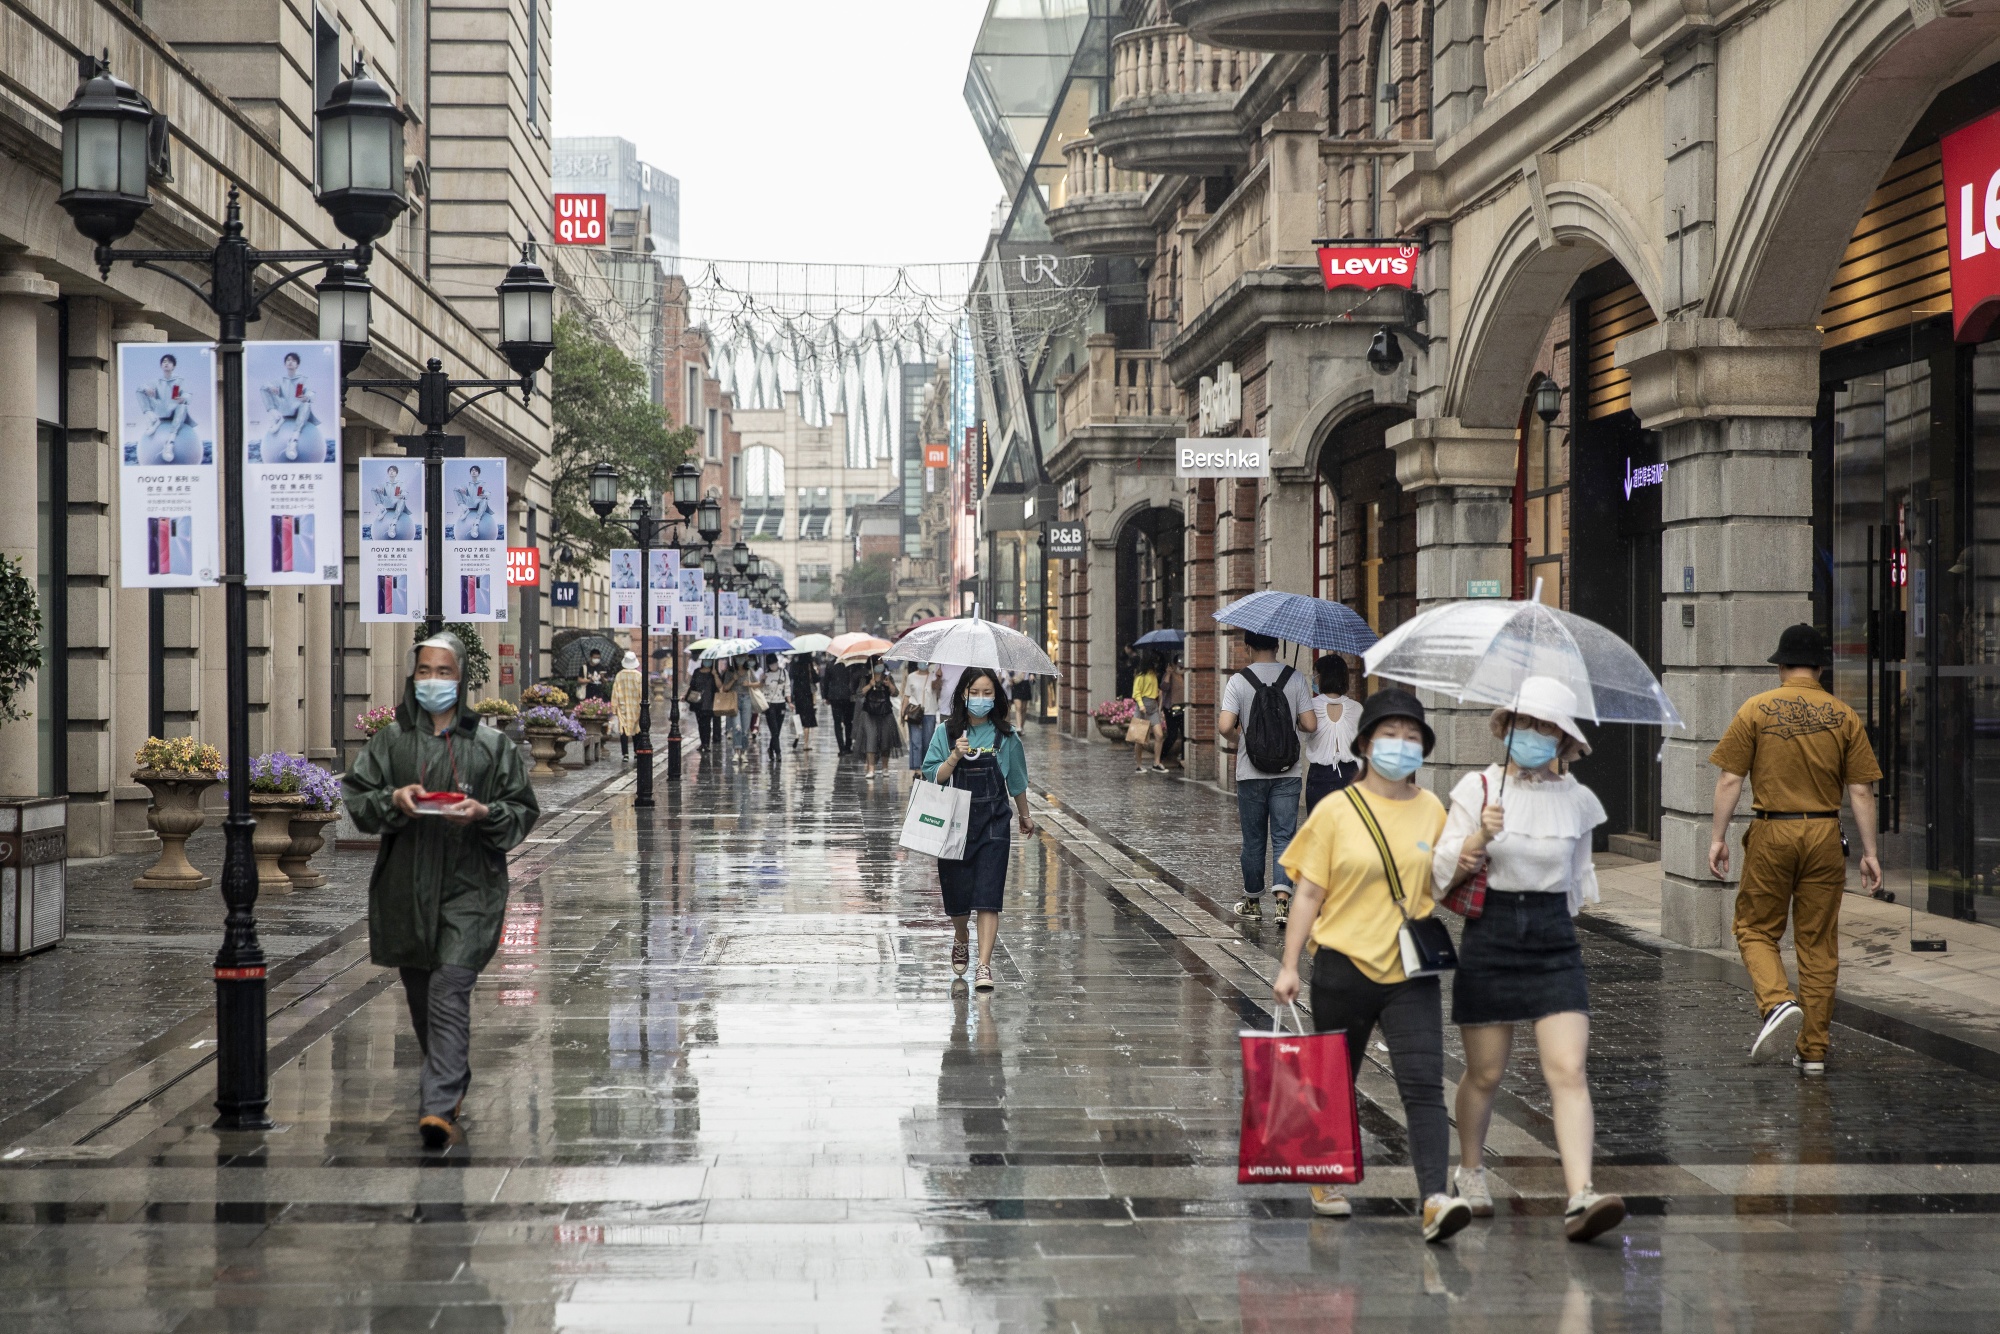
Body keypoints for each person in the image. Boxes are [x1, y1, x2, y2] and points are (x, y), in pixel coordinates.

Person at [1270, 689, 1472, 1243]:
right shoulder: (1336, 809)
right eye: (1390, 735)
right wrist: (1290, 964)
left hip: (1411, 970)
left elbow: (1436, 883)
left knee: (1424, 1085)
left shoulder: (1433, 809)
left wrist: (1470, 853)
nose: (1401, 746)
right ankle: (1325, 1177)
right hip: (1341, 968)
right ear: (1365, 743)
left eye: (1412, 737)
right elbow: (1308, 893)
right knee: (1335, 1082)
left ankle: (1434, 1198)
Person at [1434, 676, 1625, 1243]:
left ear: (1565, 740)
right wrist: (1478, 842)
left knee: (1567, 1069)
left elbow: (1575, 885)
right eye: (1526, 723)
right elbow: (1441, 870)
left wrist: (1553, 929)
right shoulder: (1479, 789)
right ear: (1506, 727)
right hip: (1490, 933)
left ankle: (1580, 1195)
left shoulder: (1579, 801)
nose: (1535, 735)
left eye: (1548, 728)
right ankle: (1470, 1171)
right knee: (1486, 1072)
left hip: (1552, 939)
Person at [342, 631, 539, 1149]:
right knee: (423, 996)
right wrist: (393, 799)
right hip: (405, 888)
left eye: (444, 672)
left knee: (450, 984)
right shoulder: (391, 741)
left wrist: (485, 812)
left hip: (472, 886)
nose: (433, 681)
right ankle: (449, 1083)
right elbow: (359, 801)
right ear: (414, 676)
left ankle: (435, 1105)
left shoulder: (491, 746)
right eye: (424, 671)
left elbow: (522, 810)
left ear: (462, 679)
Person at [1709, 623, 1883, 1073]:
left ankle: (1776, 1001)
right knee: (1819, 944)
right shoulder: (1845, 716)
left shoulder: (1756, 709)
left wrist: (1717, 838)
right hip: (1825, 834)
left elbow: (1730, 778)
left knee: (1754, 929)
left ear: (1782, 666)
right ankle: (1813, 1052)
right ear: (1820, 668)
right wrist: (1870, 852)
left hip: (1773, 831)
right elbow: (1861, 790)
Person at [923, 668, 1036, 992]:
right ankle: (961, 935)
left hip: (994, 823)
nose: (982, 699)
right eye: (976, 692)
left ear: (996, 696)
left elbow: (1016, 780)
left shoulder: (1006, 736)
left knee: (988, 897)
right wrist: (955, 756)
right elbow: (933, 776)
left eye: (989, 693)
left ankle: (984, 966)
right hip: (953, 823)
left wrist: (1025, 815)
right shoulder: (946, 733)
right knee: (957, 897)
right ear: (963, 694)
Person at [1216, 630, 1318, 924]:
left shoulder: (1238, 681)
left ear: (1248, 648)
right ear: (1278, 645)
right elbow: (1310, 724)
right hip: (1288, 772)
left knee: (1254, 839)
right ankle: (1283, 902)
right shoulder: (1296, 679)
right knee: (1284, 836)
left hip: (1250, 772)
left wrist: (1243, 738)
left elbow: (1225, 726)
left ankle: (1252, 901)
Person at [1303, 655, 1361, 813]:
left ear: (1322, 677)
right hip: (1351, 776)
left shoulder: (1309, 708)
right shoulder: (1357, 708)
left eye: (1315, 675)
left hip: (1319, 777)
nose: (1314, 679)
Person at [854, 658, 900, 780]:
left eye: (881, 662)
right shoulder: (867, 677)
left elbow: (895, 693)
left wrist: (889, 684)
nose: (880, 664)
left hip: (885, 712)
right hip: (869, 712)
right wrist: (870, 685)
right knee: (871, 738)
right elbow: (859, 693)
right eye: (878, 662)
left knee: (886, 740)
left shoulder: (887, 676)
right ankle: (871, 768)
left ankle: (885, 767)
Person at [1130, 652, 1166, 774]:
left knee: (1159, 735)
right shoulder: (1141, 676)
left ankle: (1156, 762)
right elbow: (1137, 692)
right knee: (1139, 738)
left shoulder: (1153, 675)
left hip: (1153, 706)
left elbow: (1151, 690)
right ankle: (1139, 765)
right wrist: (1141, 705)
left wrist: (1157, 692)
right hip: (1143, 706)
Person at [905, 662, 942, 775]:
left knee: (927, 742)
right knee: (916, 742)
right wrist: (903, 713)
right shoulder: (911, 676)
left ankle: (926, 767)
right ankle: (917, 769)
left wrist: (939, 678)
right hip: (915, 713)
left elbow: (937, 690)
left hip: (929, 713)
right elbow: (907, 695)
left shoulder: (933, 675)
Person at [612, 651, 644, 761]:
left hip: (622, 706)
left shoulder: (619, 675)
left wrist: (614, 706)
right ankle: (636, 751)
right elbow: (643, 692)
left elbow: (615, 692)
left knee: (623, 729)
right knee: (637, 728)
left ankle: (625, 754)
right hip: (636, 706)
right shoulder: (639, 676)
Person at [685, 656, 719, 753]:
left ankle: (706, 744)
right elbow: (692, 685)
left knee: (707, 724)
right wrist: (686, 696)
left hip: (709, 702)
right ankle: (702, 742)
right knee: (700, 724)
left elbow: (719, 686)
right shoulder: (697, 672)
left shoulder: (713, 673)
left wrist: (715, 675)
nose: (707, 662)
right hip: (698, 702)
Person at [823, 655, 856, 754]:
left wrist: (826, 696)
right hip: (848, 696)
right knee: (848, 722)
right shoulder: (850, 663)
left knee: (837, 723)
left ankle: (841, 748)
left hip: (835, 697)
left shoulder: (830, 664)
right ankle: (848, 746)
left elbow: (826, 682)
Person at [761, 656, 791, 763]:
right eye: (771, 664)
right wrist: (762, 681)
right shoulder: (765, 675)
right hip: (769, 705)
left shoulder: (784, 673)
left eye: (775, 663)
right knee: (774, 730)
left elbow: (787, 688)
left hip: (781, 704)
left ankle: (770, 749)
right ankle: (778, 752)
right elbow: (761, 691)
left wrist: (790, 702)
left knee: (777, 730)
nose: (774, 665)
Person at [789, 651, 820, 751]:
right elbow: (816, 679)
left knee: (799, 716)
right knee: (807, 720)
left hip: (798, 695)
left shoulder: (794, 665)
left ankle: (798, 735)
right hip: (807, 694)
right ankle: (806, 744)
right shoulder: (809, 666)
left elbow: (792, 676)